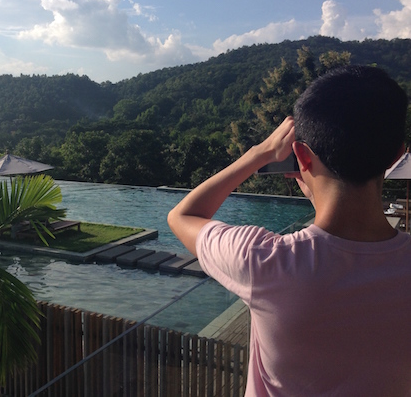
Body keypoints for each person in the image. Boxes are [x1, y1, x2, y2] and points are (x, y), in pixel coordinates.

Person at [168, 65, 411, 396]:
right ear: (398, 155)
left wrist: (259, 154)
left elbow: (183, 215)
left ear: (301, 157)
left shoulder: (264, 261)